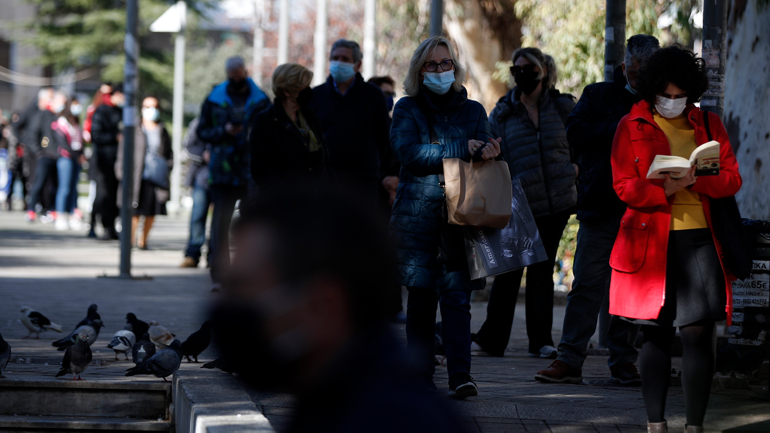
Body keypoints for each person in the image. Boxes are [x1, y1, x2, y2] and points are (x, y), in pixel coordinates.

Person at [211, 186, 468, 433]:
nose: (230, 306)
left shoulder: (387, 419)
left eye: (242, 288)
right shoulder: (333, 400)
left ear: (324, 303)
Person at [609, 45, 741, 433]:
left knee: (700, 335)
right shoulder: (630, 125)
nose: (671, 102)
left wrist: (696, 180)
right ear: (651, 90)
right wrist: (666, 189)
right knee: (654, 335)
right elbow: (622, 186)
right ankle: (656, 424)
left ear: (691, 92)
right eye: (664, 95)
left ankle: (695, 426)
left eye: (679, 95)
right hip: (650, 243)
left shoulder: (710, 124)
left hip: (701, 241)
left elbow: (732, 178)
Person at [535, 35, 659, 386]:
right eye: (634, 75)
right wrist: (624, 128)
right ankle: (569, 358)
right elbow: (575, 132)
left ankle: (623, 360)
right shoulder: (599, 95)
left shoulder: (663, 101)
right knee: (587, 284)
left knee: (632, 289)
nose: (639, 82)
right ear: (624, 68)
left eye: (645, 76)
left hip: (641, 208)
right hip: (600, 204)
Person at [390, 36, 501, 398]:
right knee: (421, 301)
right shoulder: (407, 108)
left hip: (462, 217)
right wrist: (458, 149)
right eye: (431, 65)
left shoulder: (473, 111)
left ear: (455, 67)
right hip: (419, 216)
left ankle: (461, 376)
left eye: (445, 63)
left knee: (457, 300)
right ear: (419, 71)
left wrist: (489, 150)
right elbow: (408, 153)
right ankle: (419, 376)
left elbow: (483, 144)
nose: (439, 70)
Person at [471, 48, 576, 359]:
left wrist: (576, 169)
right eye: (516, 68)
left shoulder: (562, 106)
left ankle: (542, 341)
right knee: (508, 273)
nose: (522, 73)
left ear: (543, 70)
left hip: (556, 202)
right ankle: (492, 339)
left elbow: (581, 144)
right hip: (518, 204)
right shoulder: (503, 112)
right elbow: (489, 152)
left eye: (528, 67)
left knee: (543, 273)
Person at [197, 56, 269, 291]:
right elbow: (202, 131)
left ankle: (250, 273)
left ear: (245, 72)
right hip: (222, 171)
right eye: (232, 75)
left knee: (252, 225)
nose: (236, 79)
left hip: (251, 170)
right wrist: (224, 131)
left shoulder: (260, 100)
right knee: (220, 223)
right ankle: (219, 275)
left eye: (240, 74)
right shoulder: (214, 99)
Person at [310, 39, 391, 201]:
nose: (338, 62)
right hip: (325, 184)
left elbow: (385, 137)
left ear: (358, 64)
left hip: (363, 183)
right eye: (335, 58)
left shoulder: (373, 95)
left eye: (345, 59)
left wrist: (378, 170)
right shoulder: (315, 95)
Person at [250, 63, 328, 186]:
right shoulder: (266, 121)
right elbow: (262, 171)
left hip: (314, 201)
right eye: (303, 87)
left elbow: (324, 163)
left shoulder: (310, 117)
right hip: (283, 202)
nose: (309, 90)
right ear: (287, 91)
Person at [116, 96, 173, 250]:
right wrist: (121, 171)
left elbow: (168, 153)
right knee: (134, 209)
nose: (151, 110)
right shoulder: (133, 128)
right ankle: (130, 240)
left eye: (154, 107)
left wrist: (167, 167)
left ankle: (143, 241)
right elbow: (123, 151)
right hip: (136, 175)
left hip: (155, 177)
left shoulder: (162, 130)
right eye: (147, 107)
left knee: (151, 210)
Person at [90, 85, 125, 240]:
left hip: (117, 161)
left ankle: (111, 227)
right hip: (103, 160)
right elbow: (95, 135)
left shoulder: (121, 112)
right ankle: (96, 225)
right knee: (102, 195)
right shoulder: (101, 111)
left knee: (114, 196)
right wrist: (114, 137)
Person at [24, 88, 60, 222]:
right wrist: (39, 152)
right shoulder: (40, 116)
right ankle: (31, 209)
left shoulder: (57, 116)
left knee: (54, 185)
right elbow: (31, 136)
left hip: (56, 156)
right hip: (44, 155)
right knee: (38, 183)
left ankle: (50, 209)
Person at [179, 117, 211, 268]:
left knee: (221, 219)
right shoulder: (199, 122)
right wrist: (204, 155)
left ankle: (215, 257)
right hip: (202, 176)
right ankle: (192, 254)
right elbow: (189, 146)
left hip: (228, 177)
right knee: (198, 216)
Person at [51, 95, 86, 230]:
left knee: (73, 188)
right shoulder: (61, 122)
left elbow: (80, 141)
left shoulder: (76, 122)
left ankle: (73, 214)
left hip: (76, 158)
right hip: (66, 158)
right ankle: (60, 215)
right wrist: (75, 154)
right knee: (64, 188)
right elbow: (63, 143)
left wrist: (81, 154)